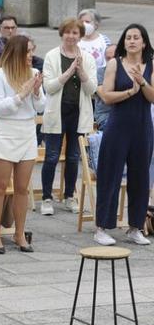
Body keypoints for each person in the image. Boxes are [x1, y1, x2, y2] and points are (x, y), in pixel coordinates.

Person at [93, 24, 154, 246]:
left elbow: (153, 97)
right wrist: (130, 91)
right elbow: (107, 96)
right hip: (118, 126)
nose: (131, 41)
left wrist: (142, 82)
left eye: (136, 37)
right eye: (128, 37)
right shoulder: (114, 64)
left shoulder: (151, 65)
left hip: (142, 126)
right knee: (110, 175)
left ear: (144, 42)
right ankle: (101, 227)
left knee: (140, 177)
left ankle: (135, 227)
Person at [0, 36, 44, 253]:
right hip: (6, 130)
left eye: (32, 51)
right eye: (27, 51)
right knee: (0, 187)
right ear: (17, 52)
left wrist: (36, 91)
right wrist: (22, 95)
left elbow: (40, 107)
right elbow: (0, 108)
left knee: (21, 188)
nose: (31, 56)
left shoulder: (34, 73)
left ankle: (20, 234)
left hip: (27, 131)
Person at [40, 18, 96, 217]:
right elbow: (49, 87)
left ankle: (69, 195)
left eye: (75, 33)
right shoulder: (52, 56)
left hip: (78, 112)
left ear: (80, 36)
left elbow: (92, 90)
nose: (71, 36)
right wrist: (70, 70)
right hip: (57, 111)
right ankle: (46, 197)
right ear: (62, 33)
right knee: (52, 156)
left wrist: (81, 71)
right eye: (68, 32)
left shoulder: (87, 58)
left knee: (73, 157)